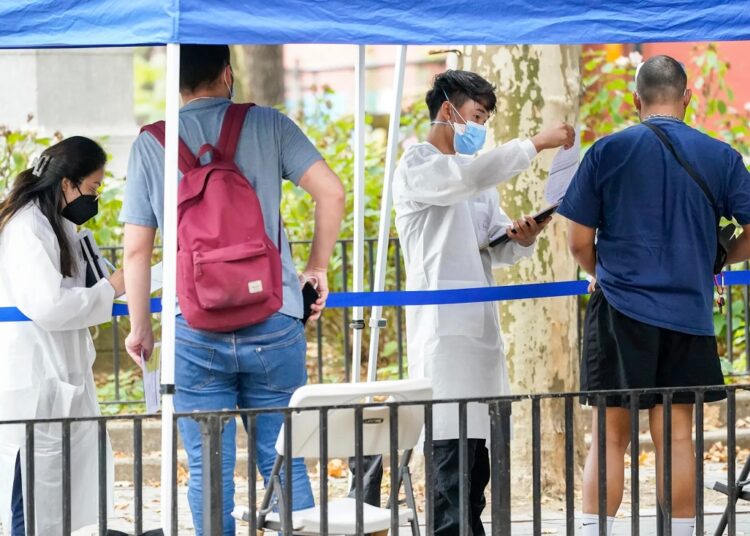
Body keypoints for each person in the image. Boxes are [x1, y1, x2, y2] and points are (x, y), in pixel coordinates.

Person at [120, 45, 345, 534]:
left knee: (208, 468)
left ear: (177, 83)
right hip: (274, 316)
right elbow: (332, 191)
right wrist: (315, 267)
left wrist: (142, 327)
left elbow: (137, 251)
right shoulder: (270, 124)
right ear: (228, 74)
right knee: (282, 457)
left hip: (193, 329)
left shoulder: (151, 144)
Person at [558, 55, 750, 536]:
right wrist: (719, 257)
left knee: (609, 438)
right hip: (688, 311)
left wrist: (602, 272)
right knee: (678, 437)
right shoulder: (720, 156)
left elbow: (578, 241)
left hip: (620, 311)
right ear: (687, 97)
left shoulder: (607, 151)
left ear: (635, 100)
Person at [392, 69, 574, 535]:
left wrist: (522, 237)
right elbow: (467, 177)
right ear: (448, 110)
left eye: (488, 119)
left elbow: (493, 245)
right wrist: (537, 143)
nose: (481, 126)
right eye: (477, 115)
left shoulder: (474, 183)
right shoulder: (420, 166)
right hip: (443, 338)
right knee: (449, 476)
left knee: (476, 477)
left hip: (480, 340)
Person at [0, 136, 125, 535]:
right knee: (31, 503)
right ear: (67, 183)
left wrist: (117, 284)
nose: (96, 196)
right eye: (93, 187)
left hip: (59, 382)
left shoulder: (59, 224)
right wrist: (112, 288)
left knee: (51, 503)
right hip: (36, 386)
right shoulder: (27, 228)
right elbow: (50, 305)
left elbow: (86, 281)